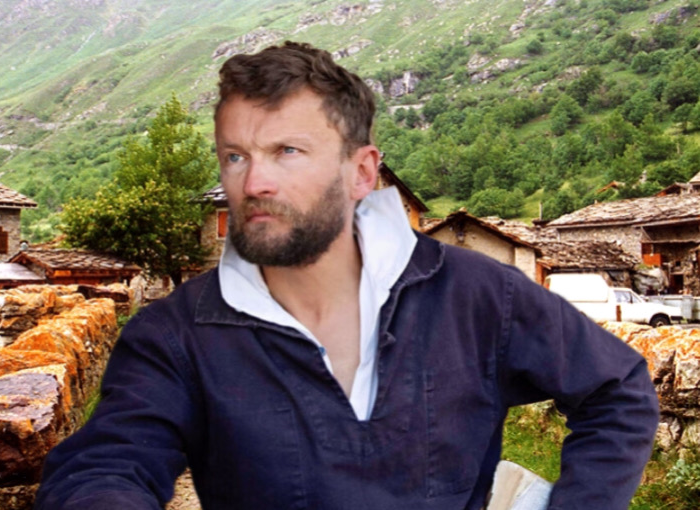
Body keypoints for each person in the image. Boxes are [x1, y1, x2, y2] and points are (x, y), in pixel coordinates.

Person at [35, 41, 659, 510]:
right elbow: (108, 463)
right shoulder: (174, 334)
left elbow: (618, 387)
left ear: (362, 172)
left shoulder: (478, 294)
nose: (254, 183)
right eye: (236, 156)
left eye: (287, 151)